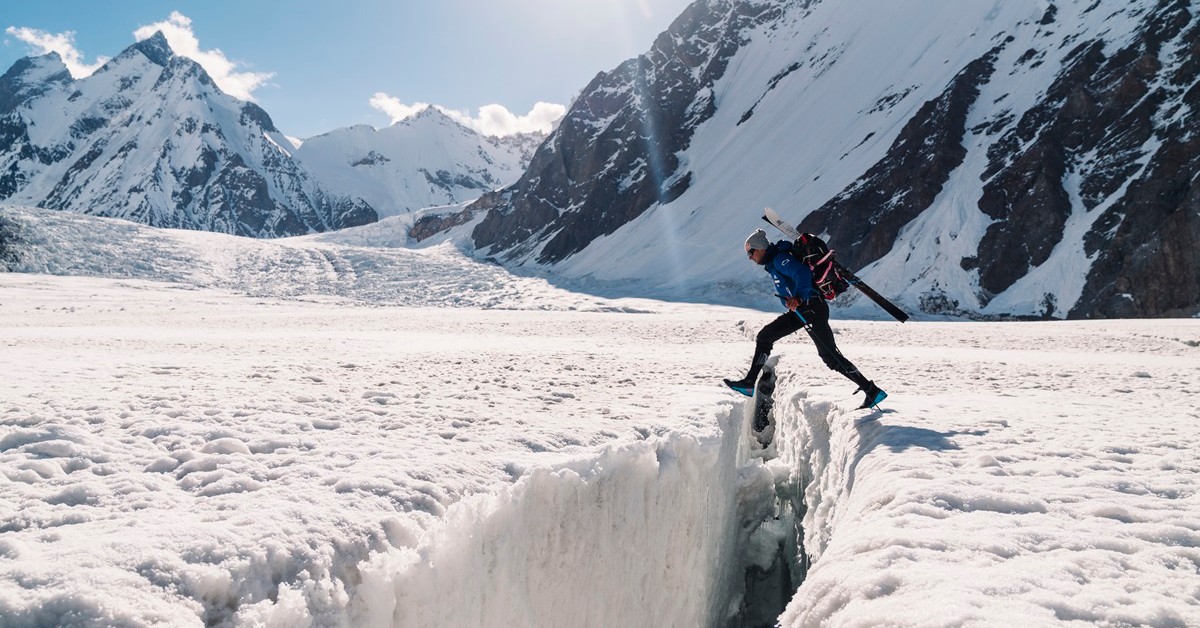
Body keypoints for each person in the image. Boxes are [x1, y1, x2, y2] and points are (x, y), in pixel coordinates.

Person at [724, 228, 887, 409]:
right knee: (765, 337)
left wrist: (799, 298)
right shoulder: (774, 262)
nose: (750, 257)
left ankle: (871, 390)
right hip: (803, 310)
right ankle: (749, 383)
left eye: (751, 252)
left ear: (761, 248)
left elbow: (803, 273)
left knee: (831, 357)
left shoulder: (779, 259)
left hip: (811, 308)